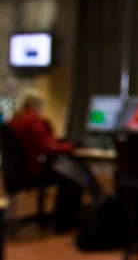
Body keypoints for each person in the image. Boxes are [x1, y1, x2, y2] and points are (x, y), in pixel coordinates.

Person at [8, 89, 100, 232]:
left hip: (21, 170)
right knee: (73, 177)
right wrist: (71, 146)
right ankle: (65, 219)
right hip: (35, 170)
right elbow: (48, 146)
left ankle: (65, 216)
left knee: (71, 173)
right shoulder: (31, 120)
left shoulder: (16, 120)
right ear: (36, 104)